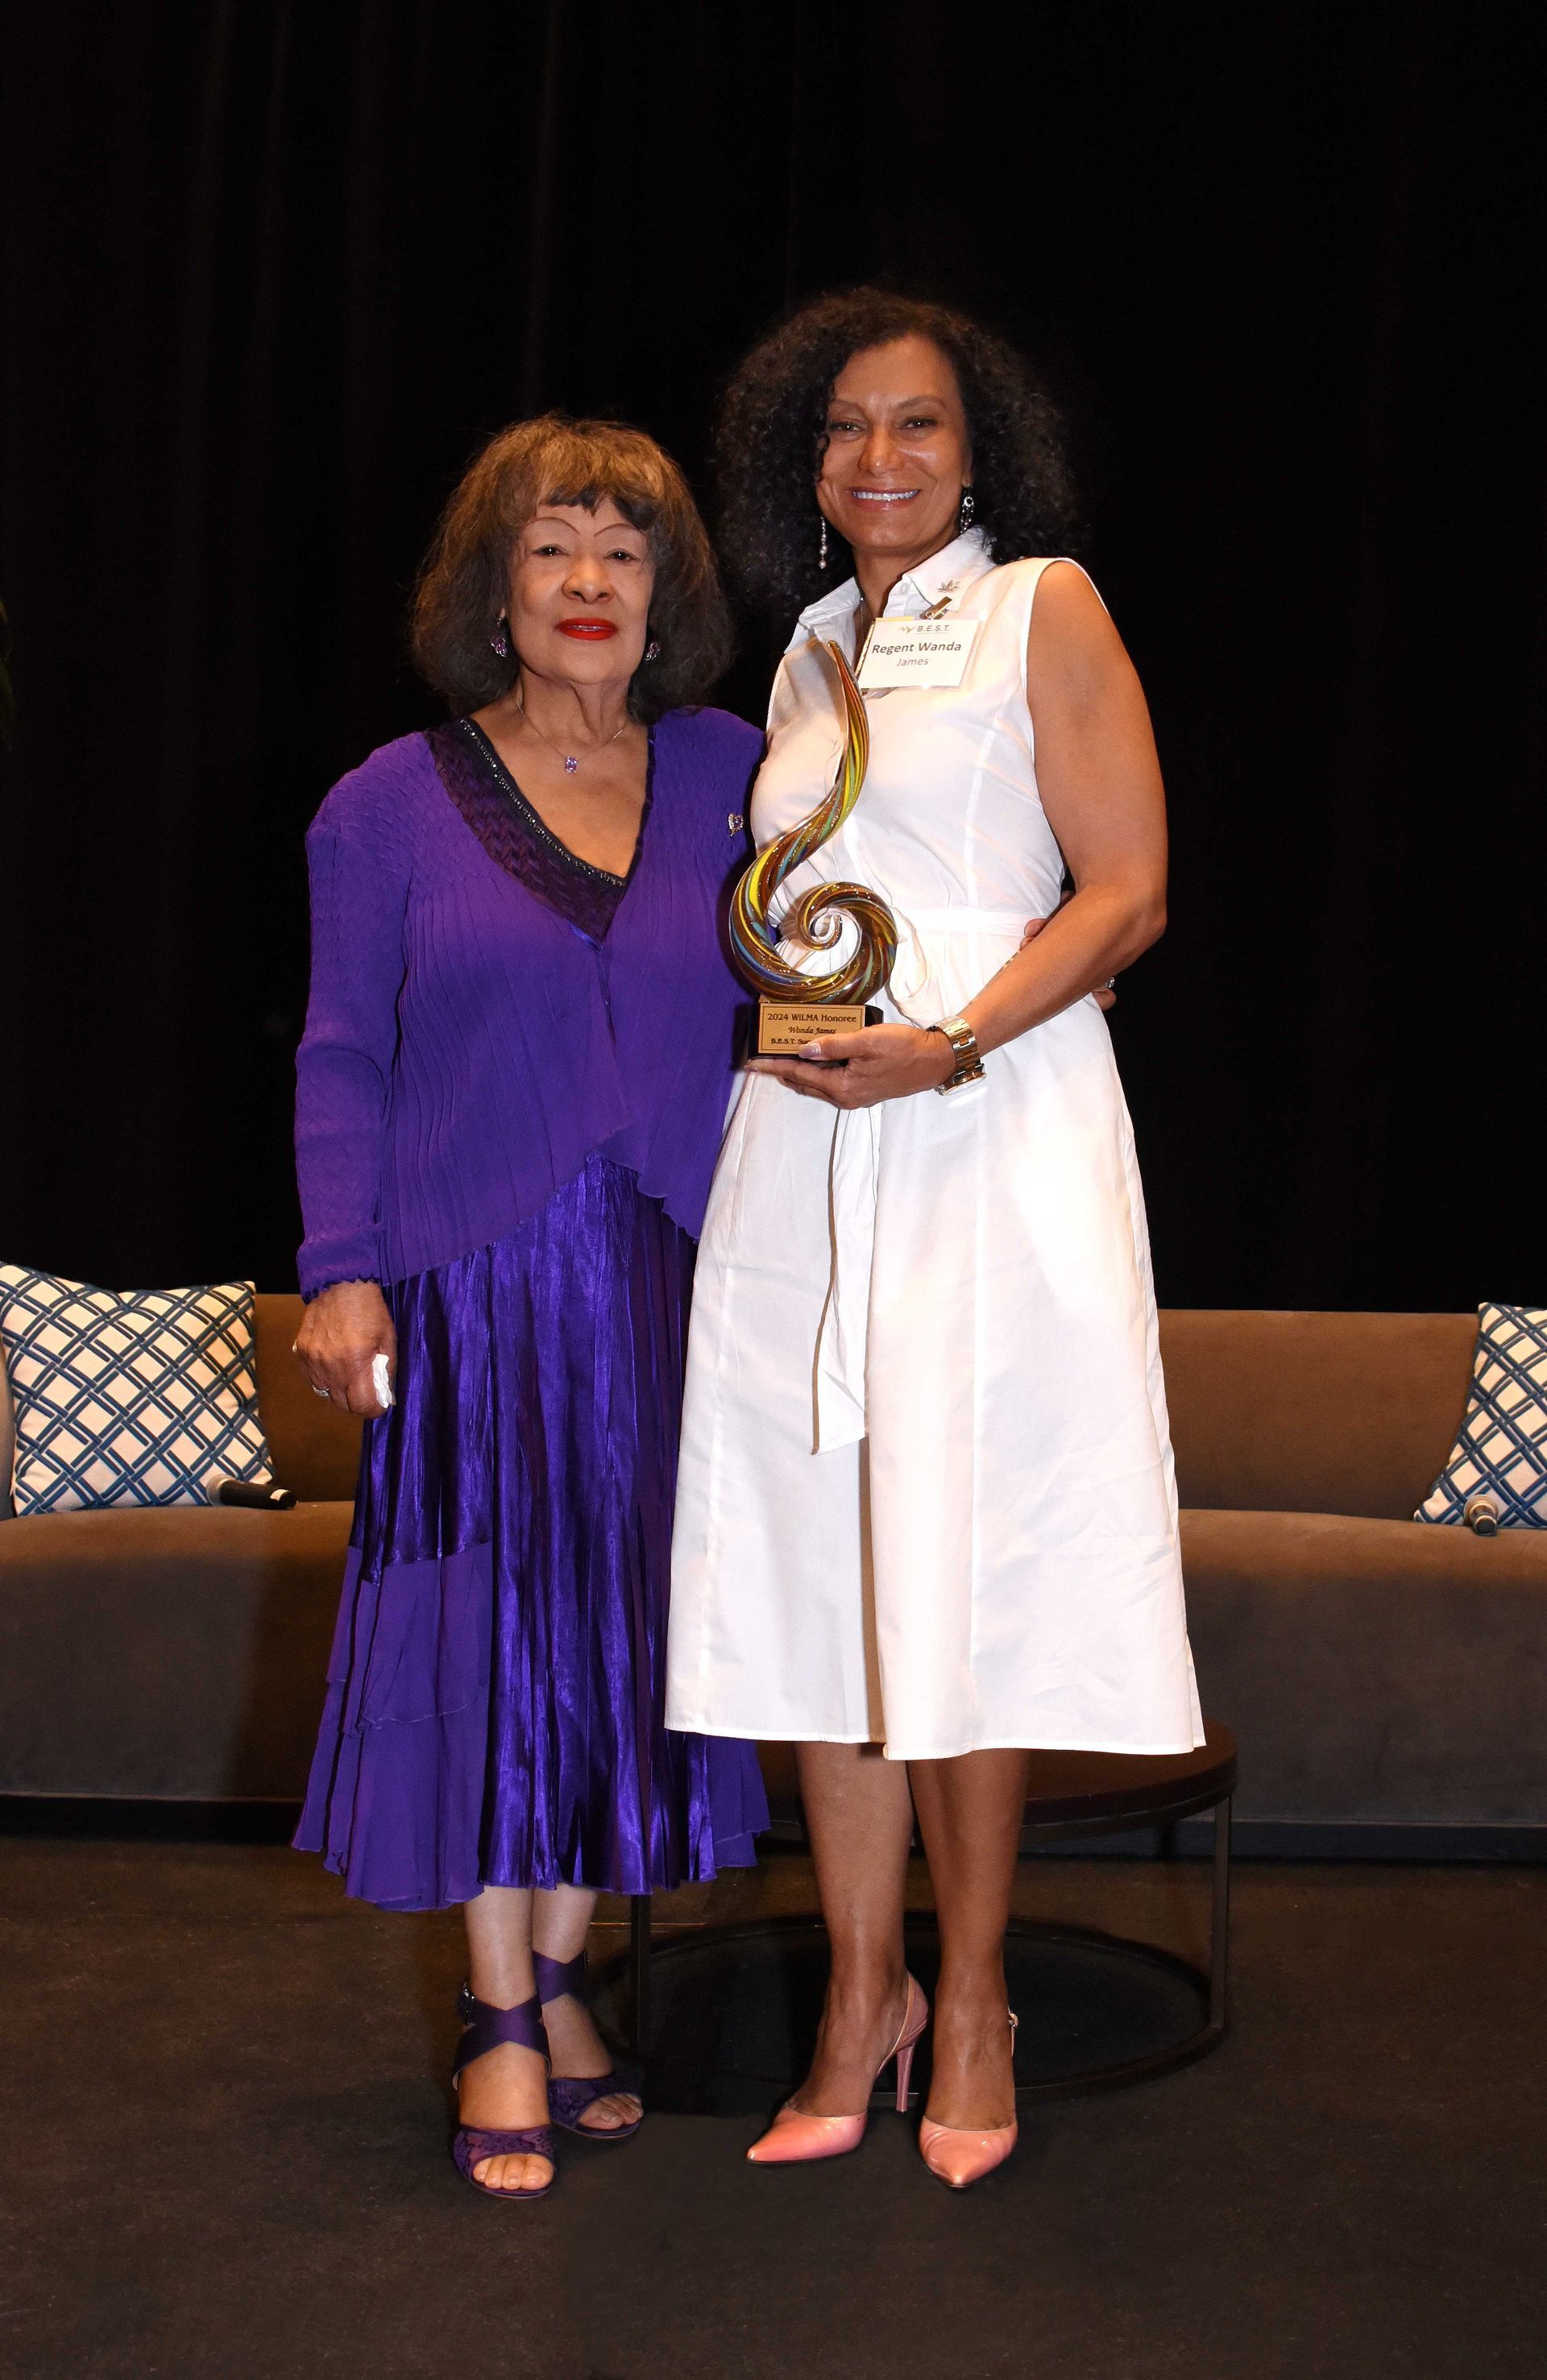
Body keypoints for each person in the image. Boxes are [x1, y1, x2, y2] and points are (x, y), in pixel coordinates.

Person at [666, 290, 1202, 2190]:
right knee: (830, 1584)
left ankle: (973, 2003)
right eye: (842, 431)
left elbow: (1127, 888)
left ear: (980, 456)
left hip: (985, 1126)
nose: (877, 459)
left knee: (957, 1578)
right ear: (801, 465)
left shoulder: (1046, 605)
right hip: (812, 1146)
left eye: (915, 427)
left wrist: (956, 1040)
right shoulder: (809, 647)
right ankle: (857, 1992)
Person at [292, 415, 769, 2200]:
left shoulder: (737, 770)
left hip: (667, 1282)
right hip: (467, 1293)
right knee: (493, 1647)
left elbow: (860, 931)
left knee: (630, 1648)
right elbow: (343, 1046)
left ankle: (564, 1981)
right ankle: (499, 2020)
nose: (588, 582)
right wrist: (339, 1262)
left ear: (668, 594)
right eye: (553, 546)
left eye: (624, 550)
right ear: (496, 588)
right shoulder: (385, 805)